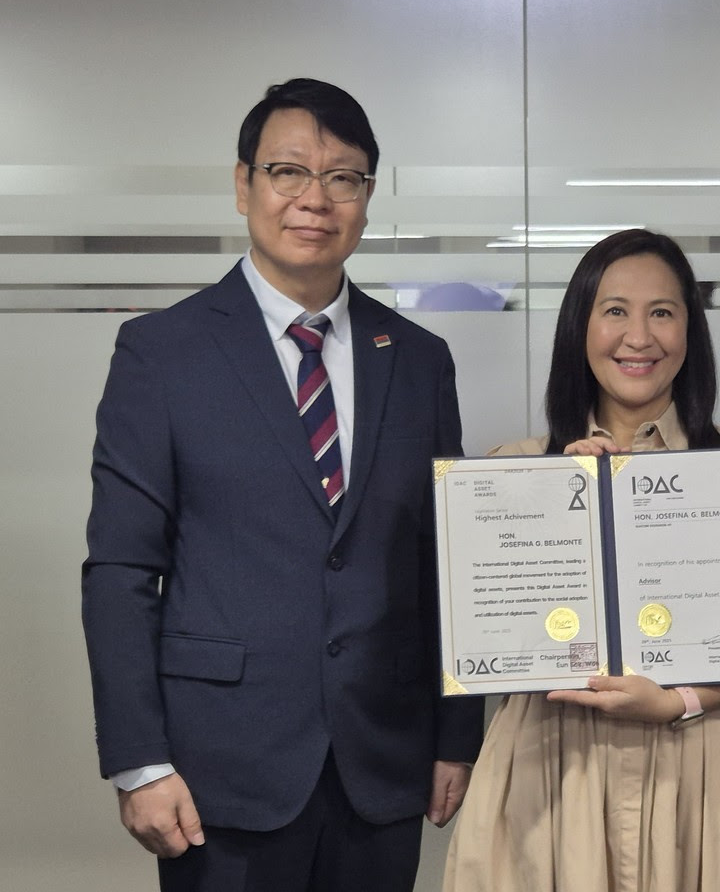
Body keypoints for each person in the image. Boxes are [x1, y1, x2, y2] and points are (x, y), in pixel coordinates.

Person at [81, 78, 484, 892]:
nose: (315, 199)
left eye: (343, 178)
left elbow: (443, 562)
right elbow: (121, 570)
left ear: (368, 196)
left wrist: (456, 735)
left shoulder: (417, 359)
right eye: (288, 172)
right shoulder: (162, 353)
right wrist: (139, 761)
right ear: (244, 184)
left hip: (381, 762)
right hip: (218, 769)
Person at [443, 229, 720, 892]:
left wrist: (679, 701)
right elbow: (487, 639)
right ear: (580, 327)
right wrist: (553, 504)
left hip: (704, 765)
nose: (639, 337)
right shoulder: (512, 471)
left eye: (663, 312)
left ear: (690, 331)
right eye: (615, 310)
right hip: (551, 764)